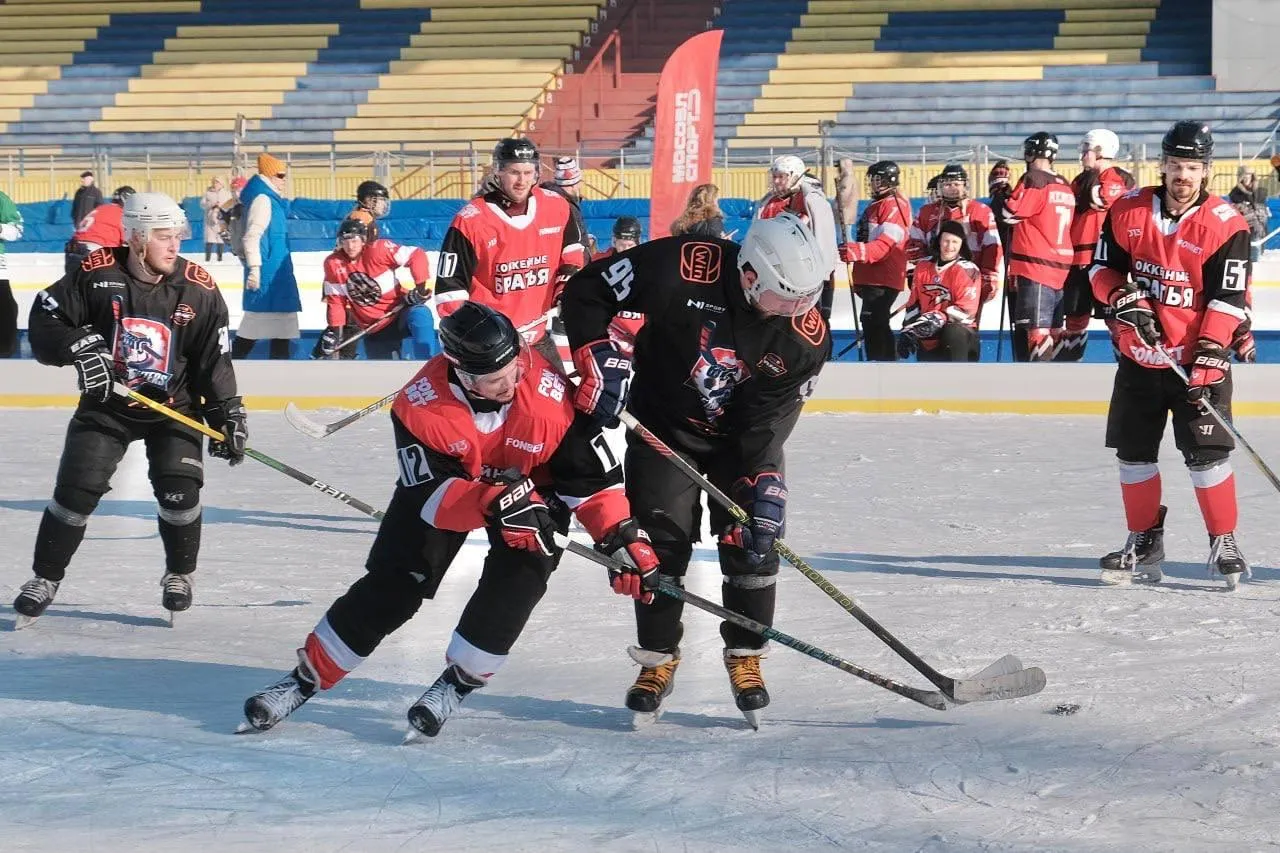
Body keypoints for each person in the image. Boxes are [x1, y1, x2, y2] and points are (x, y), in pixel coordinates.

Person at [240, 302, 661, 736]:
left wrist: (620, 536)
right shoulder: (418, 407)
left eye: (517, 368)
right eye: (497, 380)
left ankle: (458, 681)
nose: (514, 382)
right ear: (464, 375)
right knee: (397, 581)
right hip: (455, 491)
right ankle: (306, 676)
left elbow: (590, 480)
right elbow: (431, 497)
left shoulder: (546, 391)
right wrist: (494, 501)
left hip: (537, 487)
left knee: (523, 573)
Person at [561, 212, 831, 725]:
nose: (793, 312)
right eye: (783, 298)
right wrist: (595, 353)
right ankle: (658, 658)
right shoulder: (683, 265)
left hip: (740, 445)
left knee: (753, 542)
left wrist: (762, 483)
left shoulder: (804, 338)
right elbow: (587, 290)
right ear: (750, 273)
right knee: (657, 547)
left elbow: (767, 427)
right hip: (663, 430)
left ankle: (746, 655)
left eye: (804, 300)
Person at [13, 192, 244, 625]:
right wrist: (76, 348)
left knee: (180, 491)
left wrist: (228, 413)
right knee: (75, 493)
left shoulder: (198, 287)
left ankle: (179, 573)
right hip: (107, 406)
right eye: (163, 237)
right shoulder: (97, 273)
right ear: (137, 238)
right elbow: (46, 317)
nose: (174, 246)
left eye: (177, 236)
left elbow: (213, 361)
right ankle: (45, 578)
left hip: (174, 407)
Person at [1089, 120, 1252, 589]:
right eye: (1176, 164)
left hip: (1198, 360)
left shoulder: (1225, 224)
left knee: (1207, 456)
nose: (1183, 174)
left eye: (1193, 166)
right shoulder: (1127, 210)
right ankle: (1143, 540)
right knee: (1134, 455)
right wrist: (1125, 299)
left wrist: (1209, 356)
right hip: (1140, 357)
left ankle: (1224, 539)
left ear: (1206, 171)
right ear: (1162, 164)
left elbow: (1227, 298)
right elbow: (1102, 269)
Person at [435, 138, 586, 363]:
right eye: (514, 172)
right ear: (498, 172)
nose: (521, 181)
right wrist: (473, 341)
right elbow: (449, 292)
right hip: (490, 348)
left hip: (538, 341)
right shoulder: (470, 221)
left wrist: (566, 291)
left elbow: (573, 253)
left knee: (563, 398)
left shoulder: (557, 207)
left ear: (537, 173)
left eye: (528, 173)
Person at [906, 163, 1003, 360]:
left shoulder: (980, 210)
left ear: (965, 186)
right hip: (937, 274)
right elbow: (913, 243)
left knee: (962, 325)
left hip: (969, 278)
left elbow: (993, 246)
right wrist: (917, 261)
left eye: (957, 184)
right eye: (948, 184)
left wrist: (990, 273)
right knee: (928, 326)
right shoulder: (927, 212)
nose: (953, 188)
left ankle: (966, 359)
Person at [1058, 129, 1134, 361]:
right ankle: (1071, 365)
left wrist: (1088, 186)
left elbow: (1099, 198)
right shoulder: (1080, 180)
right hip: (1077, 260)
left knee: (1114, 318)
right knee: (1074, 318)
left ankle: (1126, 366)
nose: (1082, 154)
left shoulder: (1120, 177)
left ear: (1101, 151)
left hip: (1106, 260)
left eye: (1087, 149)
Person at [1001, 132, 1075, 361]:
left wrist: (1001, 194)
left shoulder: (1034, 178)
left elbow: (1010, 213)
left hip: (1036, 263)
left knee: (1036, 330)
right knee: (1054, 329)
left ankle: (1039, 386)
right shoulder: (1064, 183)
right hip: (1061, 263)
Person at [316, 217, 431, 360]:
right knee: (385, 374)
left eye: (354, 240)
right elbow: (336, 302)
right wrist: (336, 334)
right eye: (345, 241)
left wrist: (420, 290)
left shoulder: (378, 250)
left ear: (363, 240)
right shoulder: (333, 263)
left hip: (399, 312)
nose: (350, 246)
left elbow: (416, 255)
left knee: (421, 314)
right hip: (374, 328)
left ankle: (427, 362)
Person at [839, 160, 912, 361]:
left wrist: (857, 252)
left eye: (878, 180)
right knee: (873, 321)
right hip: (871, 275)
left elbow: (885, 245)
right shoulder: (876, 204)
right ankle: (880, 360)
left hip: (884, 275)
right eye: (872, 180)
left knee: (874, 320)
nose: (873, 184)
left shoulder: (894, 205)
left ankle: (883, 362)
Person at [234, 153, 301, 360]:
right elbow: (252, 236)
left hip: (277, 274)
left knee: (282, 329)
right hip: (268, 274)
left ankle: (280, 376)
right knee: (253, 327)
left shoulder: (272, 200)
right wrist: (255, 269)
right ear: (269, 176)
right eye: (280, 175)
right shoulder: (263, 200)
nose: (284, 180)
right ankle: (228, 370)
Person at [757, 155, 839, 321]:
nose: (777, 181)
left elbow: (818, 241)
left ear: (795, 177)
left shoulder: (810, 202)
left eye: (781, 177)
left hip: (800, 277)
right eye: (775, 177)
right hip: (773, 275)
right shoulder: (769, 202)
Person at [897, 220, 982, 362]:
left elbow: (967, 311)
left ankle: (959, 379)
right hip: (929, 334)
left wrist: (937, 318)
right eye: (946, 241)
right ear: (939, 241)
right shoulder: (923, 266)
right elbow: (914, 304)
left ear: (962, 244)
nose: (950, 246)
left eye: (955, 242)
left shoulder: (968, 270)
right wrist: (908, 330)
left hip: (960, 337)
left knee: (952, 332)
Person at [64, 186, 134, 277]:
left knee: (74, 287)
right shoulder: (121, 214)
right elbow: (128, 243)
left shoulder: (101, 208)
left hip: (73, 249)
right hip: (94, 252)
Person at [1228, 164, 1269, 263]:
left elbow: (1261, 210)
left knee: (1257, 250)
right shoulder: (1235, 193)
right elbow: (1240, 211)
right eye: (1244, 175)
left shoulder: (1261, 191)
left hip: (1260, 227)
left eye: (1249, 174)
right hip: (1246, 228)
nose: (1246, 177)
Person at [0, 186, 23, 357]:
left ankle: (4, 352)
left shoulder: (1, 199)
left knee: (6, 307)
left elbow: (16, 230)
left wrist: (1, 229)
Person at [201, 177, 231, 262]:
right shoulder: (208, 193)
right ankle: (207, 258)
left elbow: (230, 204)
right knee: (209, 238)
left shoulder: (226, 194)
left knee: (220, 238)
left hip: (221, 218)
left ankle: (220, 258)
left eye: (218, 182)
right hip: (210, 219)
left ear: (222, 184)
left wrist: (221, 207)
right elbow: (202, 204)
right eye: (214, 182)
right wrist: (211, 205)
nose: (215, 184)